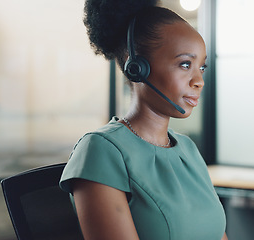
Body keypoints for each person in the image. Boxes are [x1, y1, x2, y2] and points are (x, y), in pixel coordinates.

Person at [59, 0, 228, 239]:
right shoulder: (101, 151)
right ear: (137, 67)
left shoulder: (187, 149)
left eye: (202, 67)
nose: (198, 80)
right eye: (185, 64)